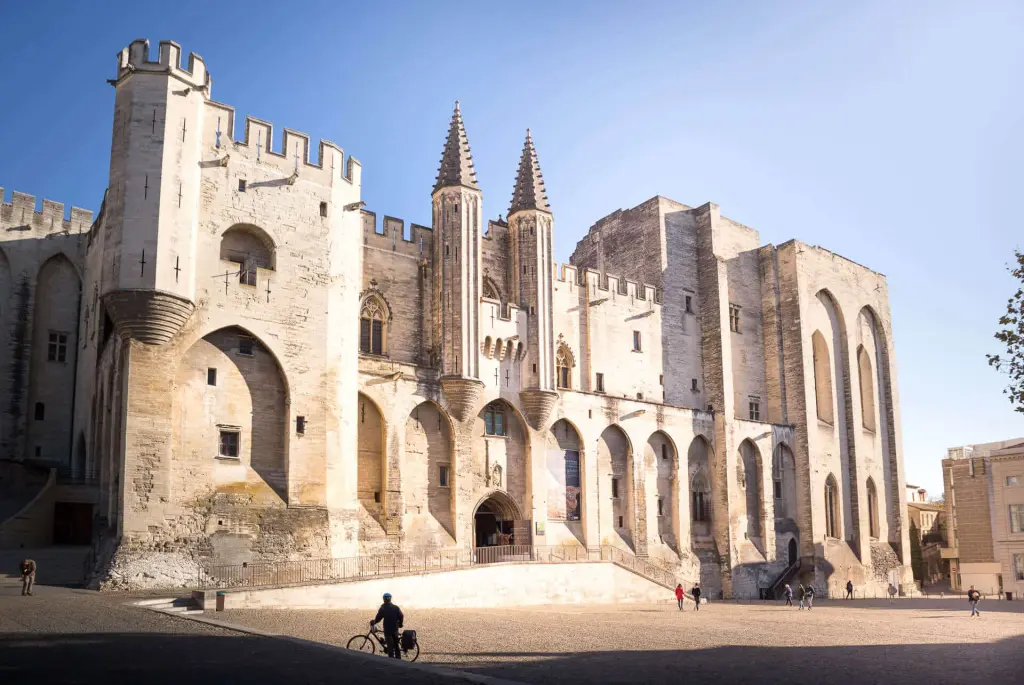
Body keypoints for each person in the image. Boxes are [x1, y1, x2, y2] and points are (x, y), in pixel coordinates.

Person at [371, 592, 404, 658]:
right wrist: (400, 624)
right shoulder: (396, 607)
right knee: (396, 644)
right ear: (390, 599)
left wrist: (374, 622)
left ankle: (391, 660)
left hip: (387, 629)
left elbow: (378, 617)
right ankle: (399, 659)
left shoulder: (383, 608)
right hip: (395, 628)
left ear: (384, 599)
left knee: (390, 645)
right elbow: (401, 615)